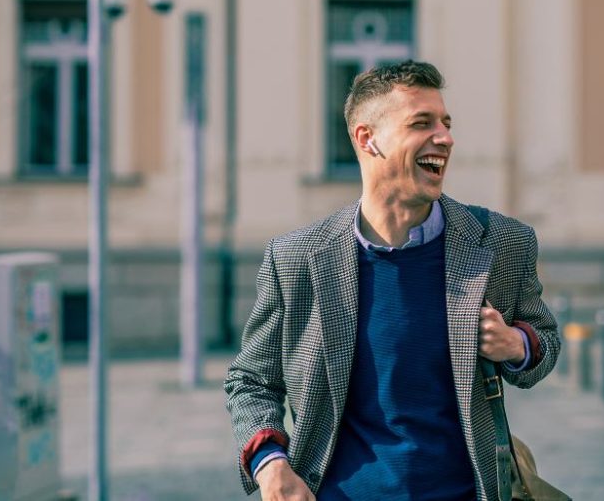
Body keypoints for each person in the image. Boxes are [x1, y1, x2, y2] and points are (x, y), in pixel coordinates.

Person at [225, 60, 560, 500]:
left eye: (445, 123)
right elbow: (250, 381)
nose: (445, 137)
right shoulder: (296, 259)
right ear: (368, 139)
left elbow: (547, 343)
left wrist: (517, 344)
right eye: (422, 123)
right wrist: (271, 467)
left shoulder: (501, 243)